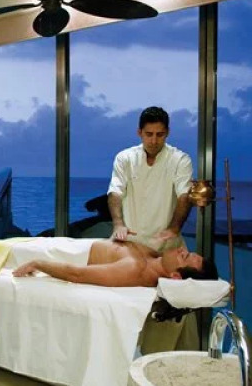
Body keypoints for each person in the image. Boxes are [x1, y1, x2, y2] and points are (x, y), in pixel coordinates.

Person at [107, 106, 193, 250]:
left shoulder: (180, 160)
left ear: (167, 133)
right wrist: (118, 224)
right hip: (129, 241)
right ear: (139, 132)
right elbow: (115, 192)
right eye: (149, 134)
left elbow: (184, 196)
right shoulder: (125, 158)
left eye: (160, 135)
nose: (154, 141)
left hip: (166, 242)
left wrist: (174, 229)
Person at [12, 238, 217, 287]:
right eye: (187, 252)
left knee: (5, 250)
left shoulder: (135, 270)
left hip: (63, 254)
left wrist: (38, 264)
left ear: (175, 276)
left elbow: (77, 274)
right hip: (71, 244)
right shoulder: (154, 256)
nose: (182, 249)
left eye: (184, 256)